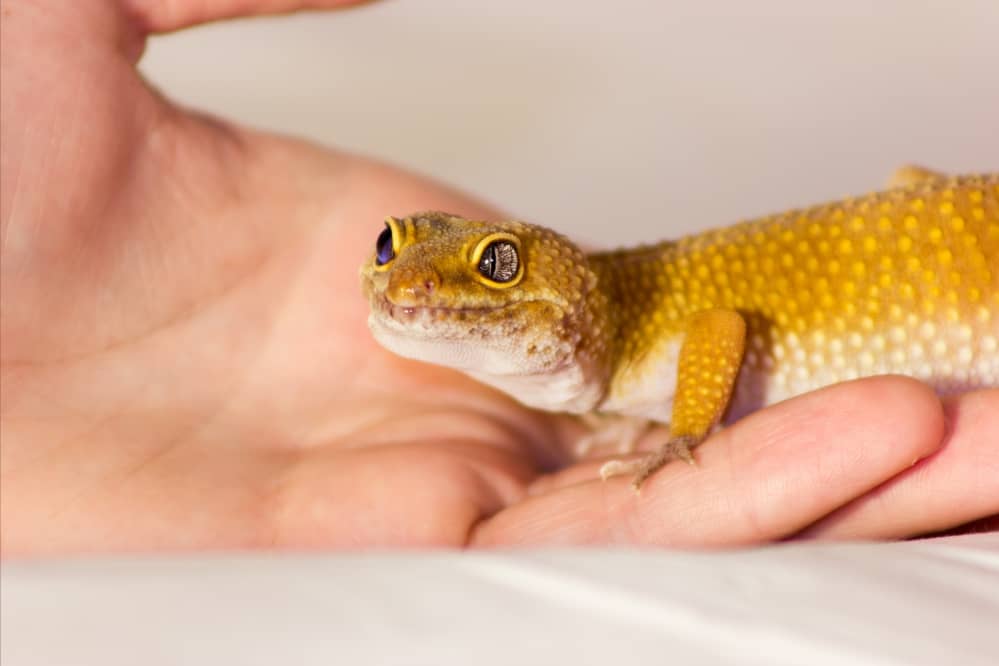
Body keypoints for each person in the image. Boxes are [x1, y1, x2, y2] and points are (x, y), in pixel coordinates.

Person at [1, 0, 996, 556]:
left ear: (568, 300)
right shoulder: (614, 352)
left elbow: (722, 328)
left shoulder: (655, 327)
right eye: (392, 251)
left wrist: (690, 434)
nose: (416, 281)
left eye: (494, 265)